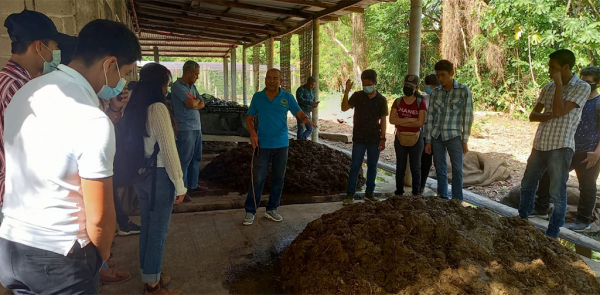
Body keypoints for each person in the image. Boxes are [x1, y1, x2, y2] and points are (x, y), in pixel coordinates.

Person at [0, 19, 141, 294]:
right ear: (109, 64)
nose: (121, 82)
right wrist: (94, 262)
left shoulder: (25, 93)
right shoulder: (91, 118)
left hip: (12, 246)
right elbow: (100, 217)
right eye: (123, 72)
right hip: (59, 258)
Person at [0, 10, 75, 224]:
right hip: (21, 200)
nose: (55, 55)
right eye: (54, 48)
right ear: (39, 47)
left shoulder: (14, 81)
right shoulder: (18, 88)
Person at [122, 62, 186, 295]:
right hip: (159, 175)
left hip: (141, 173)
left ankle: (151, 273)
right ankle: (153, 286)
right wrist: (179, 184)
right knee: (158, 229)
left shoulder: (135, 105)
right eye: (167, 84)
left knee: (148, 225)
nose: (167, 89)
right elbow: (169, 151)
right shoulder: (157, 108)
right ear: (160, 85)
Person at [519, 49, 591, 238]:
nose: (549, 70)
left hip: (561, 146)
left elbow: (560, 110)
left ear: (566, 67)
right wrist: (550, 114)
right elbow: (533, 116)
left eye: (553, 67)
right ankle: (520, 222)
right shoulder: (548, 87)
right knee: (527, 184)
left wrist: (559, 86)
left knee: (557, 192)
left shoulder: (582, 87)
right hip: (540, 143)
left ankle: (552, 233)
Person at [530, 66, 600, 232]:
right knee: (547, 175)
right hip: (567, 146)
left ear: (597, 83)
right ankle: (541, 209)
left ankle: (583, 221)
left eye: (588, 82)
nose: (583, 84)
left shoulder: (598, 103)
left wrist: (596, 153)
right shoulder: (575, 98)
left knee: (587, 186)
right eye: (581, 80)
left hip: (588, 152)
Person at [243, 69, 316, 226]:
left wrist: (305, 118)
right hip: (262, 145)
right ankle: (250, 210)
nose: (271, 81)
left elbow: (298, 112)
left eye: (275, 78)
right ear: (265, 80)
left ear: (280, 81)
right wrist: (252, 133)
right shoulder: (258, 97)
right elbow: (249, 118)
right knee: (258, 178)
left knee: (278, 178)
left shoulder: (287, 97)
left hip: (282, 144)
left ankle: (272, 209)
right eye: (268, 78)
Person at [424, 60, 474, 201]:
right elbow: (430, 117)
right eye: (437, 75)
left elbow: (467, 117)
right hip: (436, 136)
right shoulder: (436, 93)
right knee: (440, 169)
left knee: (457, 170)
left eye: (443, 75)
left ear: (451, 73)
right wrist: (428, 140)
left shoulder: (463, 91)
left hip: (454, 136)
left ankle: (457, 200)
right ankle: (442, 198)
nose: (440, 79)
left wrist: (465, 140)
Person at [341, 70, 389, 205]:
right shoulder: (358, 96)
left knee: (373, 166)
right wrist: (346, 92)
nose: (366, 87)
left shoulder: (381, 100)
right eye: (364, 84)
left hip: (374, 138)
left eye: (369, 84)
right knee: (355, 166)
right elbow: (344, 108)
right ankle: (350, 195)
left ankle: (370, 193)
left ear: (375, 83)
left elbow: (383, 120)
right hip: (359, 138)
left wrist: (383, 138)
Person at [171, 60, 204, 201]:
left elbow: (202, 102)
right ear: (188, 73)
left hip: (196, 127)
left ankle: (193, 184)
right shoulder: (177, 86)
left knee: (196, 158)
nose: (197, 77)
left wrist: (196, 103)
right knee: (184, 160)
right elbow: (191, 103)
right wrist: (195, 103)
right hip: (185, 128)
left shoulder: (192, 87)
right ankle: (182, 190)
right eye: (196, 74)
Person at [390, 75, 427, 196]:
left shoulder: (420, 102)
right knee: (400, 166)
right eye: (406, 85)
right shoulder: (398, 101)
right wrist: (411, 120)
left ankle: (416, 193)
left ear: (416, 88)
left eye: (410, 86)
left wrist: (402, 119)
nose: (407, 88)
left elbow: (420, 122)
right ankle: (399, 191)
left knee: (415, 167)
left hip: (416, 138)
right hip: (400, 137)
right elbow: (391, 120)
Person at [420, 74, 441, 193]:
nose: (428, 87)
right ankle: (421, 187)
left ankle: (441, 190)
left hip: (437, 136)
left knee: (439, 164)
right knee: (425, 163)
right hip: (424, 135)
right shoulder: (424, 98)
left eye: (430, 85)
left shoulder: (441, 99)